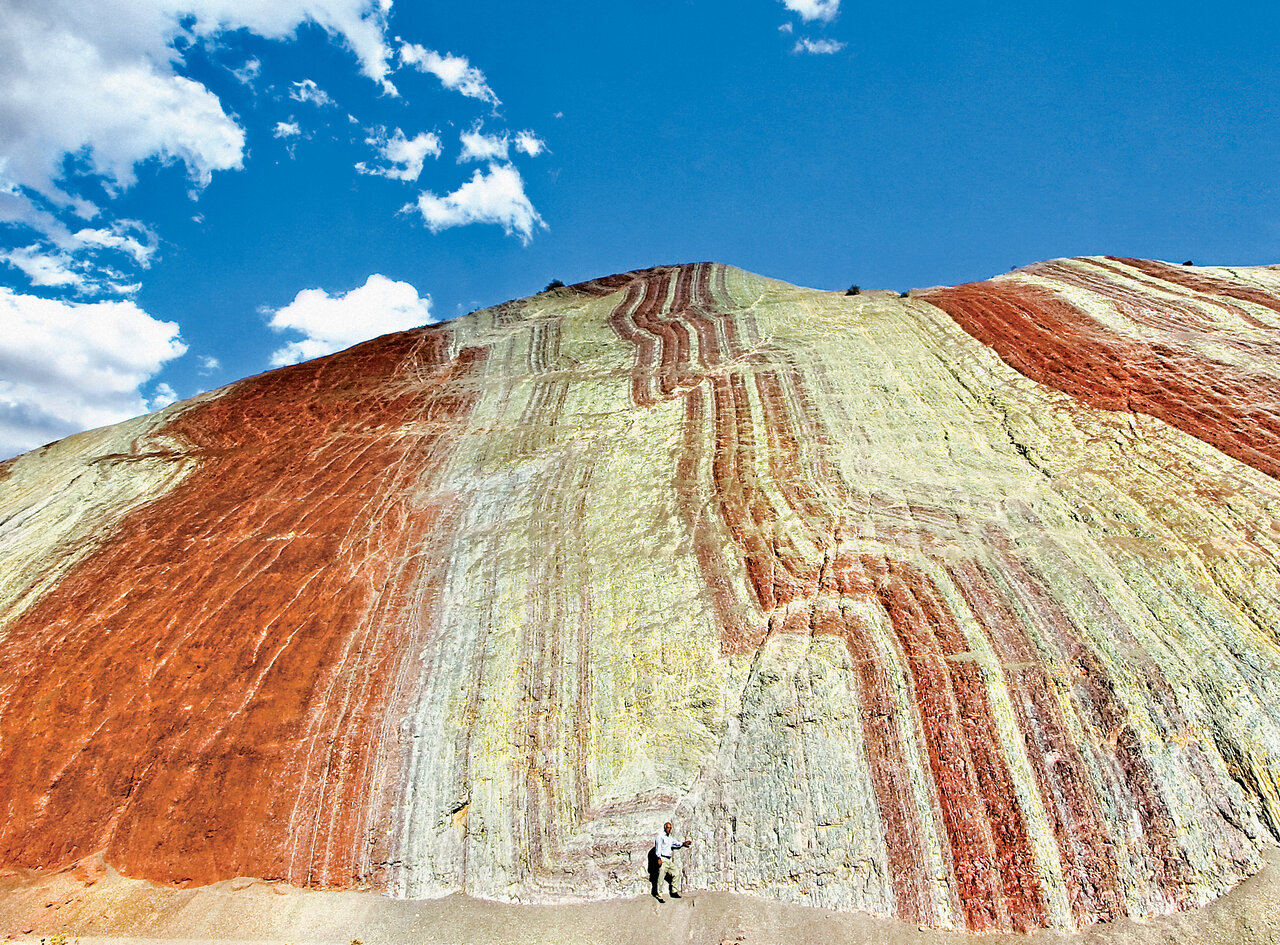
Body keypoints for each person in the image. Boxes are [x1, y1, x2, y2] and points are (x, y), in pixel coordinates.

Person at [653, 821, 690, 902]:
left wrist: (683, 843)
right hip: (663, 859)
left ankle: (674, 892)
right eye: (668, 827)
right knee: (661, 877)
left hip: (669, 860)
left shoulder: (670, 837)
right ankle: (659, 895)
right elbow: (658, 847)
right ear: (664, 828)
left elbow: (675, 843)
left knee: (676, 872)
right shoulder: (660, 836)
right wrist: (659, 858)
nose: (669, 829)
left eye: (670, 828)